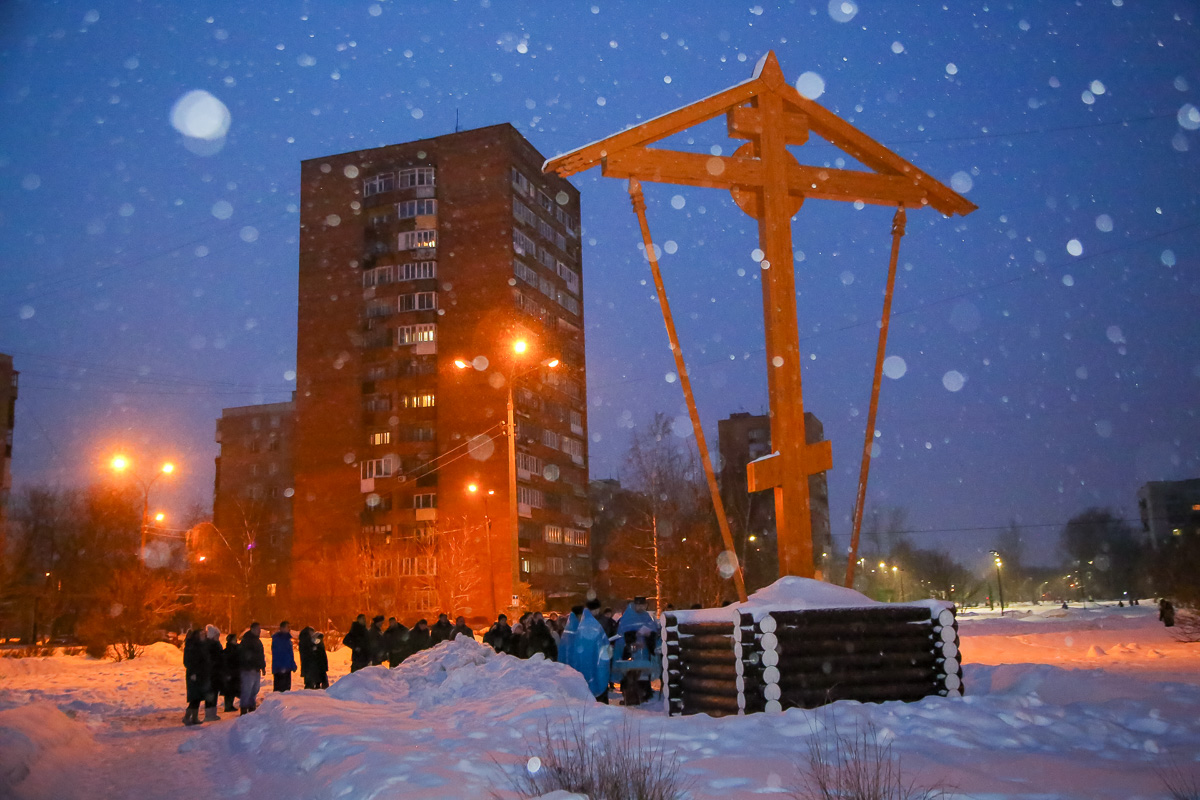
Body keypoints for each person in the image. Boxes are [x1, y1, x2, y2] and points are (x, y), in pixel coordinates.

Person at [567, 600, 612, 703]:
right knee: (599, 684)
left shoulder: (582, 624)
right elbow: (601, 643)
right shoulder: (593, 624)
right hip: (595, 661)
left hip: (584, 662)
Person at [182, 628, 212, 726]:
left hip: (201, 674)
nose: (203, 635)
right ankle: (188, 716)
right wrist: (193, 673)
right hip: (194, 674)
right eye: (201, 634)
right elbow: (188, 661)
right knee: (195, 697)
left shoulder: (202, 645)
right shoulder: (192, 646)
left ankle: (194, 717)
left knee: (198, 696)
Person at [238, 622, 266, 714]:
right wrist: (248, 665)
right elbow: (243, 655)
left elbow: (261, 655)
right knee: (247, 690)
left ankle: (251, 707)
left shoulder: (258, 641)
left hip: (256, 669)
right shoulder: (247, 640)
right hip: (248, 670)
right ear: (252, 629)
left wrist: (263, 667)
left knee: (255, 689)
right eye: (258, 629)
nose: (259, 631)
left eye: (260, 629)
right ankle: (244, 709)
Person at [202, 624, 225, 721]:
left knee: (214, 692)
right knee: (211, 693)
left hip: (215, 672)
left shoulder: (215, 644)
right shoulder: (211, 646)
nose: (218, 637)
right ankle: (209, 714)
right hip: (212, 673)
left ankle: (212, 713)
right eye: (217, 635)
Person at [222, 633, 241, 712]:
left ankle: (229, 705)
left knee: (232, 689)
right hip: (230, 672)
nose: (236, 640)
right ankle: (228, 706)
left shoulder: (235, 648)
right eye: (234, 639)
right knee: (230, 690)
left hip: (234, 672)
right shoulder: (229, 650)